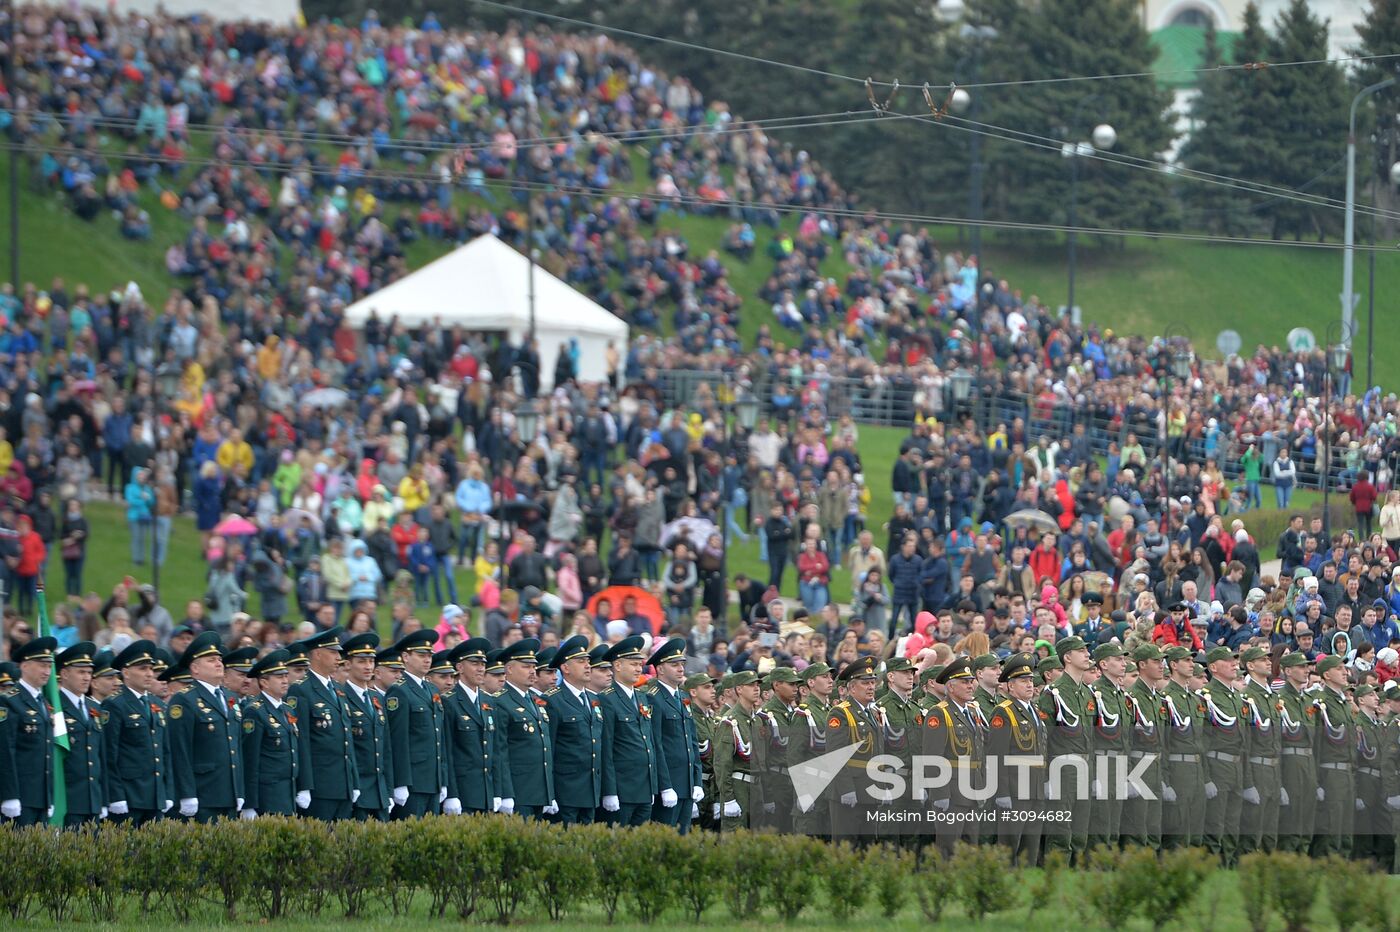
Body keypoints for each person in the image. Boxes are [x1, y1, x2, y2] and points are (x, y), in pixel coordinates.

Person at [167, 632, 245, 823]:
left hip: (229, 791)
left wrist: (240, 789)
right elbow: (179, 750)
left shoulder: (228, 697)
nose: (219, 663)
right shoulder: (185, 699)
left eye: (219, 659)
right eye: (211, 660)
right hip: (203, 793)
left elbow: (236, 746)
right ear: (195, 668)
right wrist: (186, 793)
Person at [288, 627, 359, 820]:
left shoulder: (337, 688)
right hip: (320, 785)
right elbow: (301, 741)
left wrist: (354, 781)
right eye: (333, 652)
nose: (339, 657)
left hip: (343, 783)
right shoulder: (301, 690)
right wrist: (305, 785)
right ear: (318, 654)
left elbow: (347, 738)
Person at [986, 652, 1047, 866]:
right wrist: (1002, 792)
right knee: (1010, 845)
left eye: (1031, 680)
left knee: (1030, 846)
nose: (1030, 685)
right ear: (1010, 686)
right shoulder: (1003, 712)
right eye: (1023, 681)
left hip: (1035, 787)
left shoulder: (1034, 711)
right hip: (1014, 789)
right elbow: (996, 755)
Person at [1038, 635, 1095, 863]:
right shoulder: (1053, 693)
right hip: (1063, 767)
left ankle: (1076, 879)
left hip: (1085, 765)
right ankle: (1057, 877)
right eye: (1082, 651)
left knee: (1081, 830)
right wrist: (1046, 777)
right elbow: (1044, 738)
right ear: (1068, 657)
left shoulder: (1088, 693)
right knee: (1061, 830)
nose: (1088, 655)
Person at [102, 639, 169, 826]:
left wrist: (166, 792)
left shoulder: (155, 704)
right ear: (126, 672)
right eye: (142, 669)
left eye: (150, 669)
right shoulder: (115, 704)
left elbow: (164, 751)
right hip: (129, 796)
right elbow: (109, 754)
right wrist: (115, 796)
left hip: (154, 795)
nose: (149, 674)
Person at [599, 636, 663, 827]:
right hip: (622, 788)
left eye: (640, 664)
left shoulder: (642, 697)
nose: (638, 669)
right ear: (617, 665)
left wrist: (653, 786)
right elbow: (606, 748)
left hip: (644, 787)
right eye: (633, 664)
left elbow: (648, 742)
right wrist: (610, 791)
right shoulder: (606, 699)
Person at [386, 629, 450, 818]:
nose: (427, 660)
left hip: (433, 779)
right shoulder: (400, 691)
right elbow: (398, 740)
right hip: (413, 781)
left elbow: (440, 737)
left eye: (429, 655)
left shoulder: (431, 688)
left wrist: (443, 779)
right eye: (421, 655)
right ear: (405, 657)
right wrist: (401, 782)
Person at [544, 635, 605, 825]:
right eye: (581, 661)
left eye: (588, 661)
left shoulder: (593, 699)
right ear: (566, 668)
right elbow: (549, 750)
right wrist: (550, 793)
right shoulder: (553, 700)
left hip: (591, 791)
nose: (588, 666)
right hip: (566, 792)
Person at [442, 637, 505, 815]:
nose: (480, 668)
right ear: (460, 667)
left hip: (486, 791)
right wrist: (452, 794)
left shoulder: (489, 701)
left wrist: (498, 791)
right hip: (463, 792)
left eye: (483, 663)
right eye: (474, 663)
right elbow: (447, 752)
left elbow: (496, 751)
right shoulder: (449, 701)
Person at [826, 656, 885, 844]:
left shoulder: (872, 713)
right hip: (849, 792)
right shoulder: (841, 713)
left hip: (870, 791)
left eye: (873, 682)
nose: (871, 687)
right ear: (852, 688)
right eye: (865, 683)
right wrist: (846, 790)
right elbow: (835, 756)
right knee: (846, 848)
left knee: (868, 848)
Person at [645, 637, 701, 833]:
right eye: (674, 664)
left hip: (686, 783)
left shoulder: (683, 697)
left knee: (682, 839)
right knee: (665, 840)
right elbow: (656, 745)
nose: (680, 669)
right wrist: (665, 786)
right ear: (660, 669)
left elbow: (691, 741)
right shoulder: (653, 697)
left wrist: (697, 780)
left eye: (682, 664)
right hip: (668, 784)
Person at [497, 637, 556, 819]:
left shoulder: (534, 700)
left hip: (538, 791)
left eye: (533, 667)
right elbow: (500, 753)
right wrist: (506, 793)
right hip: (518, 791)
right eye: (525, 666)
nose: (532, 671)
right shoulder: (500, 701)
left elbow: (544, 749)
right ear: (509, 669)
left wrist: (549, 793)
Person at [240, 650, 300, 819]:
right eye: (279, 677)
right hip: (267, 796)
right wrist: (249, 803)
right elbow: (249, 759)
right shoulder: (255, 711)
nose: (285, 681)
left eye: (286, 676)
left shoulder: (287, 709)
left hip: (288, 793)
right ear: (264, 682)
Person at [341, 633, 391, 821]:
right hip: (358, 789)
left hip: (380, 790)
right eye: (362, 661)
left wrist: (390, 789)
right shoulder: (341, 697)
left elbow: (386, 748)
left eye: (371, 661)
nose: (368, 666)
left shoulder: (376, 698)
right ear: (348, 664)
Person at [55, 641, 106, 826]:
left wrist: (104, 800)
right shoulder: (55, 707)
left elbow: (101, 757)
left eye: (89, 672)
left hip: (93, 799)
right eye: (81, 672)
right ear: (64, 673)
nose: (86, 678)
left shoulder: (94, 708)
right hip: (68, 800)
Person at [714, 669, 761, 833]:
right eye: (751, 685)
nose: (756, 689)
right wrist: (727, 799)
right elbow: (722, 764)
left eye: (757, 685)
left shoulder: (757, 721)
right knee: (735, 842)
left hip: (757, 789)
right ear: (739, 689)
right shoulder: (730, 722)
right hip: (739, 788)